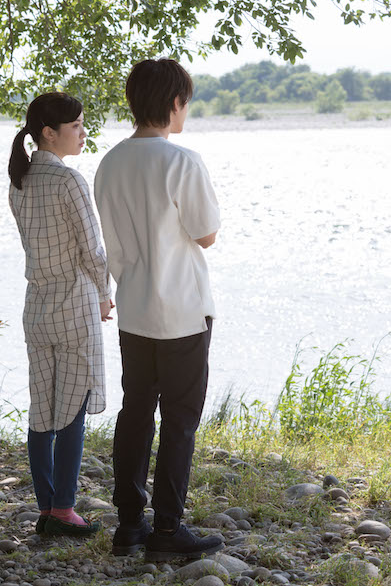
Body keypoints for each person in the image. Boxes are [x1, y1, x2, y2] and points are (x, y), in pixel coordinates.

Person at [94, 58, 222, 560]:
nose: (186, 110)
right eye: (185, 101)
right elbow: (206, 235)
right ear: (174, 103)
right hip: (183, 312)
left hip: (134, 308)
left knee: (135, 412)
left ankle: (129, 524)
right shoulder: (182, 161)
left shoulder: (110, 162)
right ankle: (168, 530)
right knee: (180, 420)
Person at [8, 92, 114, 537]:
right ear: (49, 133)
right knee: (72, 408)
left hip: (37, 306)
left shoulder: (20, 179)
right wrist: (106, 295)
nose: (83, 132)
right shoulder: (69, 181)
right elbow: (92, 249)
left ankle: (46, 507)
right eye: (76, 126)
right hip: (73, 303)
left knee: (42, 410)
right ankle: (64, 509)